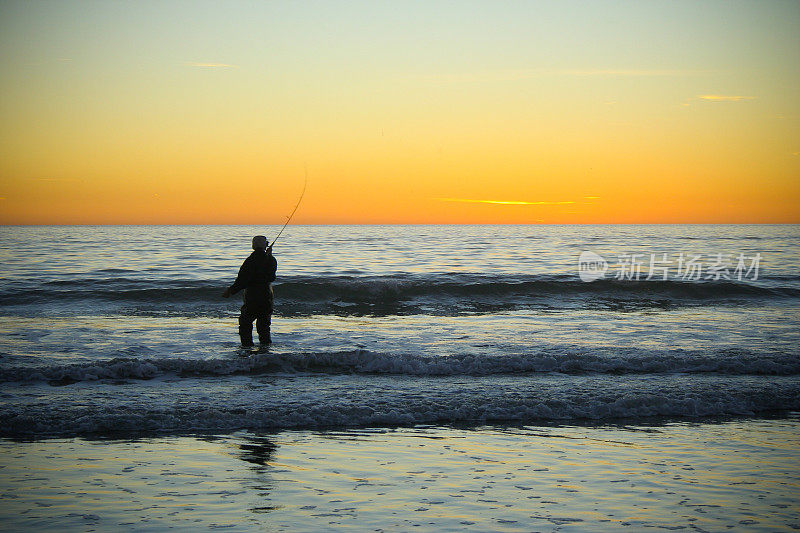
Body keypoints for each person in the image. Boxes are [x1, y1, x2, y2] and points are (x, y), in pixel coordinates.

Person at [222, 235, 277, 346]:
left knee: (245, 325)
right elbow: (271, 277)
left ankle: (247, 350)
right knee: (264, 328)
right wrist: (269, 255)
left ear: (253, 246)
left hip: (252, 297)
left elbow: (242, 280)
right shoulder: (271, 260)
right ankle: (265, 354)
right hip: (267, 297)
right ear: (265, 245)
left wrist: (230, 291)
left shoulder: (249, 260)